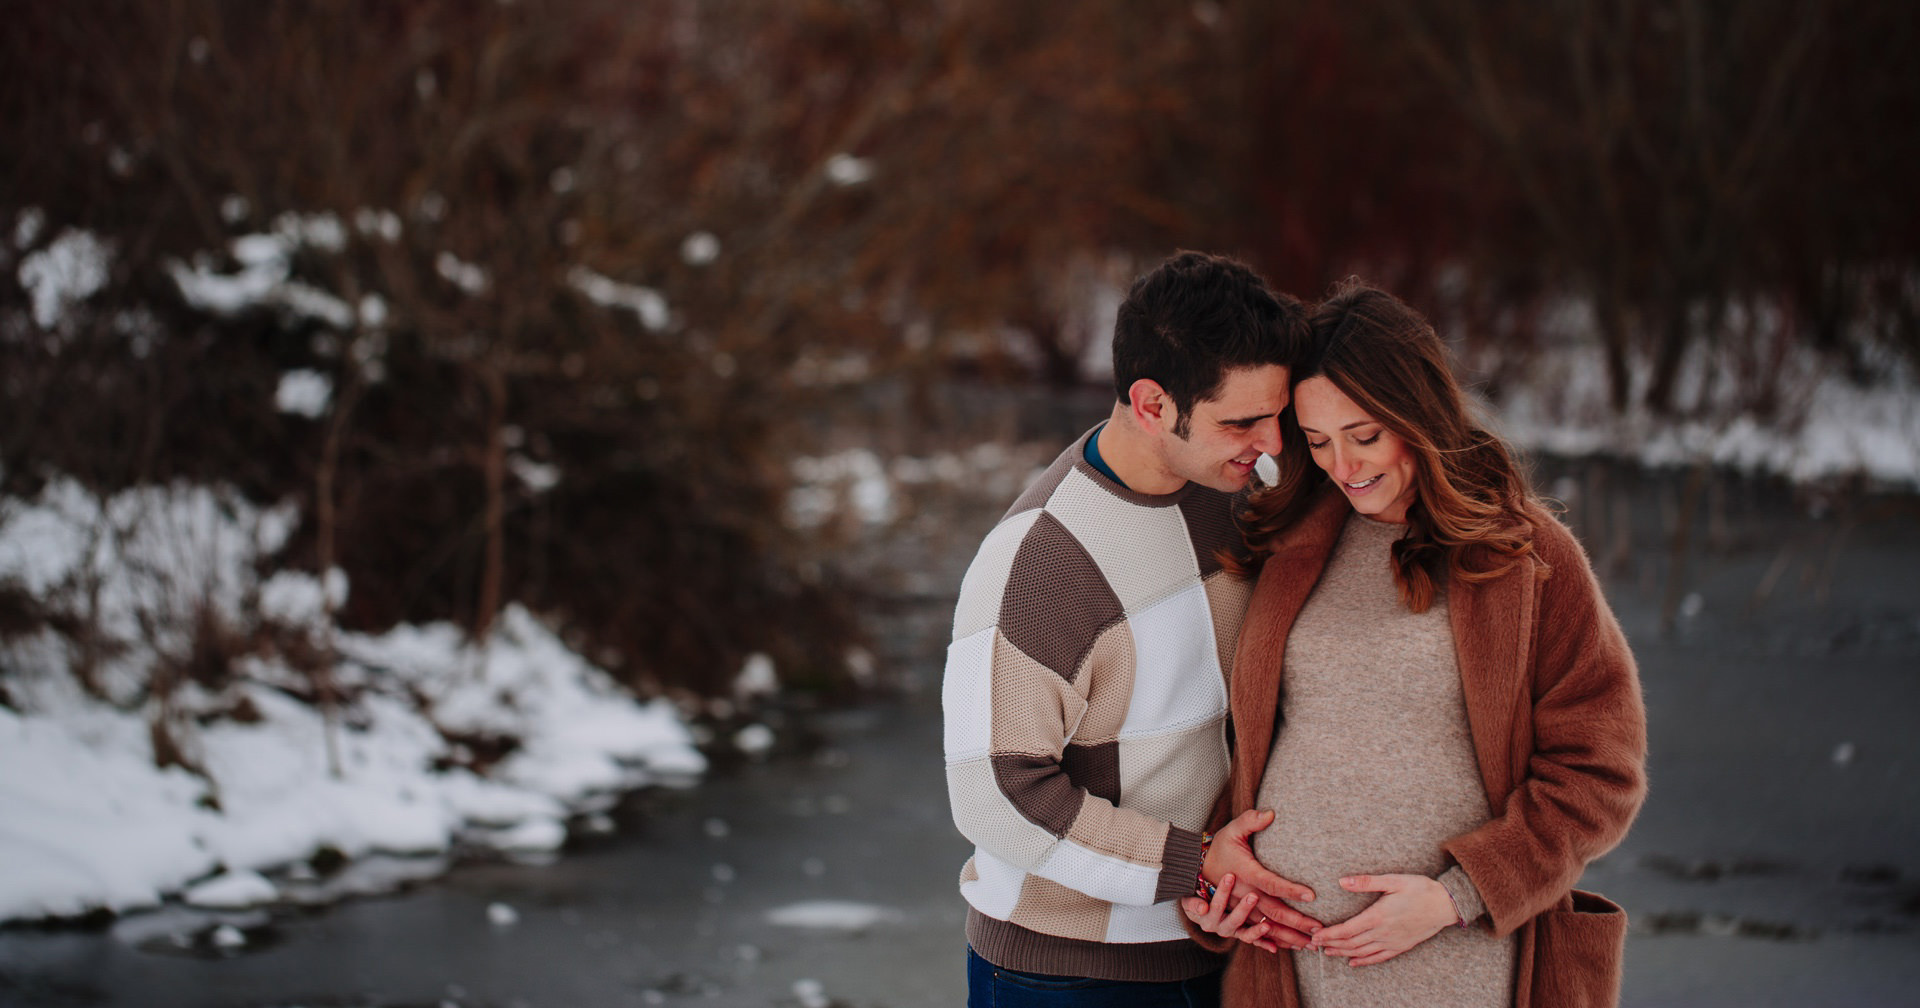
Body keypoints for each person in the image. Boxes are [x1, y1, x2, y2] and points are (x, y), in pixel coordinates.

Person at [1183, 280, 1648, 1007]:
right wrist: (1215, 876)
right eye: (1317, 441)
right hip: (1287, 973)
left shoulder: (1525, 557)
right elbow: (1257, 746)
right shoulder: (1287, 544)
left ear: (1418, 413)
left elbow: (1600, 774)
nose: (1344, 465)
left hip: (1461, 973)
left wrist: (1458, 896)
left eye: (1364, 435)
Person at [944, 251, 1325, 1007]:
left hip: (1217, 947)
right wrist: (1195, 864)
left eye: (1276, 416)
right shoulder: (1038, 566)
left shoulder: (1233, 498)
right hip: (1066, 975)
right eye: (1243, 422)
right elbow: (996, 794)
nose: (1273, 444)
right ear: (1152, 404)